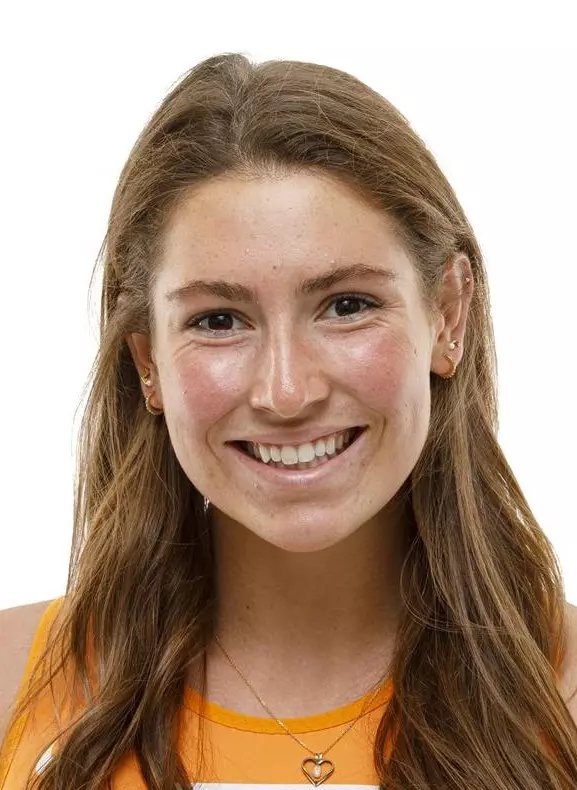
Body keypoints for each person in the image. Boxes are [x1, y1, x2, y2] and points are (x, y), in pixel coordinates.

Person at [1, 52, 576, 790]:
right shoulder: (17, 684)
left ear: (447, 314)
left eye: (346, 305)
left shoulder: (558, 695)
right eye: (218, 319)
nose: (284, 390)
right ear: (147, 362)